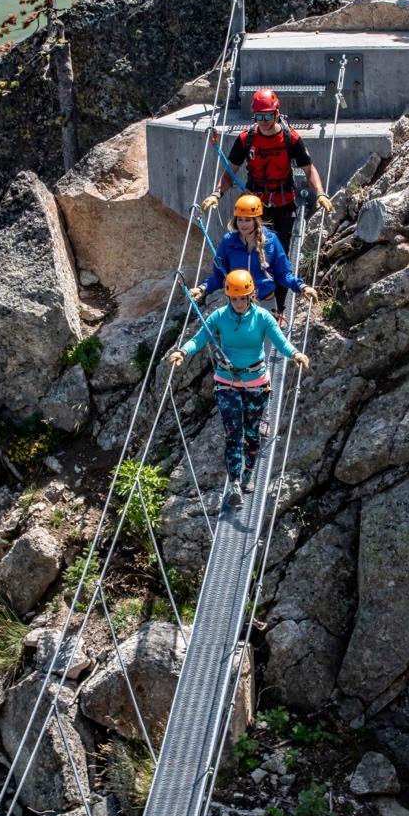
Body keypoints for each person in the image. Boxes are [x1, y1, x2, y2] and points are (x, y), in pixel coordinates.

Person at [167, 269, 309, 507]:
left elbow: (280, 341)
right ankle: (234, 484)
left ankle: (248, 474)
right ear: (228, 297)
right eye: (234, 298)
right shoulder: (219, 317)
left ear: (251, 295)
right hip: (227, 383)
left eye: (243, 298)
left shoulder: (263, 317)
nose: (239, 303)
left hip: (256, 384)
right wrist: (182, 351)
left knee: (252, 435)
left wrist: (295, 354)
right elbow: (199, 338)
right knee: (234, 435)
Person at [201, 88, 334, 315]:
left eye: (267, 116)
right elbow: (230, 171)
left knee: (277, 258)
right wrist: (216, 194)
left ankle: (278, 310)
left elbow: (308, 168)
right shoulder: (247, 139)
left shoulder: (291, 138)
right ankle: (248, 306)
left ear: (277, 113)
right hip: (254, 207)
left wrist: (320, 193)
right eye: (258, 116)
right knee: (248, 252)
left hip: (283, 204)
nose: (263, 121)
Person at [191, 193, 316, 327]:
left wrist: (302, 286)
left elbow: (283, 274)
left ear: (256, 220)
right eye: (240, 219)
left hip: (266, 306)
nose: (243, 224)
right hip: (238, 306)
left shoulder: (271, 241)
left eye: (248, 220)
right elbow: (219, 276)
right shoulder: (228, 242)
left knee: (265, 347)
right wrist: (202, 288)